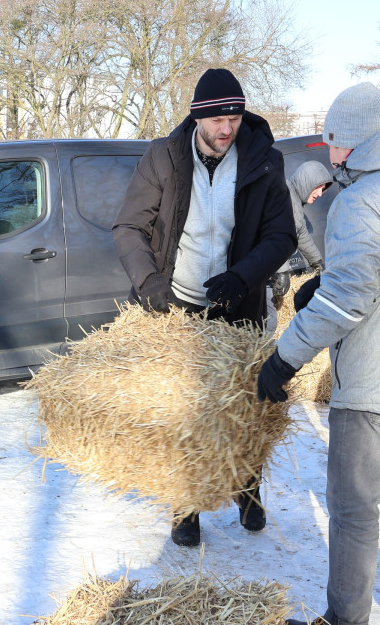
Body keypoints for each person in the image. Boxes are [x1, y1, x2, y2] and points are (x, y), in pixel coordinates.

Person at [257, 81, 380, 625]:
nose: (329, 155)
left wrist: (284, 358)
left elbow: (349, 300)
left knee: (353, 507)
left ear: (352, 142)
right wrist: (322, 286)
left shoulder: (363, 201)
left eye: (332, 143)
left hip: (374, 388)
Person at [112, 67, 297, 547]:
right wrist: (151, 283)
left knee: (245, 405)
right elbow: (129, 227)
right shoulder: (164, 157)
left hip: (239, 304)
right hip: (178, 307)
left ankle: (248, 491)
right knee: (184, 409)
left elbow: (282, 235)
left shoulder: (264, 160)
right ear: (197, 118)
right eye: (217, 118)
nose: (227, 127)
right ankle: (185, 506)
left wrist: (243, 276)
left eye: (234, 117)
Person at [266, 160, 333, 331]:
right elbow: (274, 233)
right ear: (307, 182)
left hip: (265, 267)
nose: (320, 193)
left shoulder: (293, 200)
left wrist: (317, 261)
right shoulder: (283, 196)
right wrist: (282, 271)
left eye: (323, 189)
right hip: (258, 269)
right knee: (269, 322)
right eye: (318, 187)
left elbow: (301, 233)